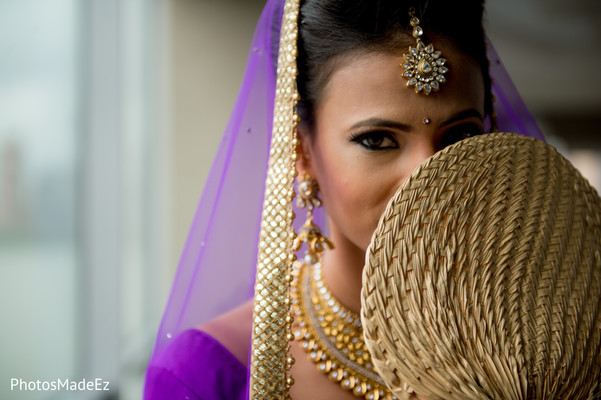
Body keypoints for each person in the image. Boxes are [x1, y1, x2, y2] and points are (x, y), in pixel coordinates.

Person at [143, 0, 558, 399]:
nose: (429, 179)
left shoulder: (549, 344)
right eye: (378, 140)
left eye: (460, 136)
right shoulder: (206, 377)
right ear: (303, 151)